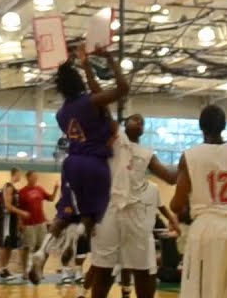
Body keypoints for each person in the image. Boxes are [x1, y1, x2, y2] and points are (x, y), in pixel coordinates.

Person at [28, 44, 129, 285]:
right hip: (95, 163)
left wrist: (84, 66)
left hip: (71, 163)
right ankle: (75, 239)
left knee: (65, 212)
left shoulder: (61, 115)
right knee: (92, 214)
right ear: (79, 83)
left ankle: (42, 251)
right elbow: (123, 89)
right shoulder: (90, 102)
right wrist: (109, 60)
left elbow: (97, 103)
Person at [171, 105, 227, 298]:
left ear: (200, 127)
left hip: (206, 228)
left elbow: (176, 205)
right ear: (224, 126)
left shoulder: (190, 156)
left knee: (202, 292)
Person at [89, 113, 178, 298]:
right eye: (136, 119)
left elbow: (170, 178)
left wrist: (185, 164)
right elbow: (104, 111)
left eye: (143, 122)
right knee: (103, 268)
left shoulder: (147, 153)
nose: (140, 122)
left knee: (144, 268)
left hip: (135, 214)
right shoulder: (114, 141)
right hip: (110, 208)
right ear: (124, 123)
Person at [17, 170, 57, 270]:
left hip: (41, 223)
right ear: (28, 178)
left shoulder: (40, 189)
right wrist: (20, 222)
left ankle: (36, 270)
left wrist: (56, 189)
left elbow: (51, 198)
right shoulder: (22, 192)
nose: (36, 179)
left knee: (39, 247)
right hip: (28, 224)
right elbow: (19, 209)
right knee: (27, 247)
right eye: (34, 177)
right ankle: (24, 271)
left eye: (37, 177)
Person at [0, 181, 28, 281]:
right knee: (5, 245)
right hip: (7, 220)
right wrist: (21, 213)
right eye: (18, 174)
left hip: (13, 220)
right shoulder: (8, 187)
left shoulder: (14, 189)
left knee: (9, 246)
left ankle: (5, 268)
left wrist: (19, 220)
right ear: (15, 174)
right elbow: (8, 207)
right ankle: (3, 269)